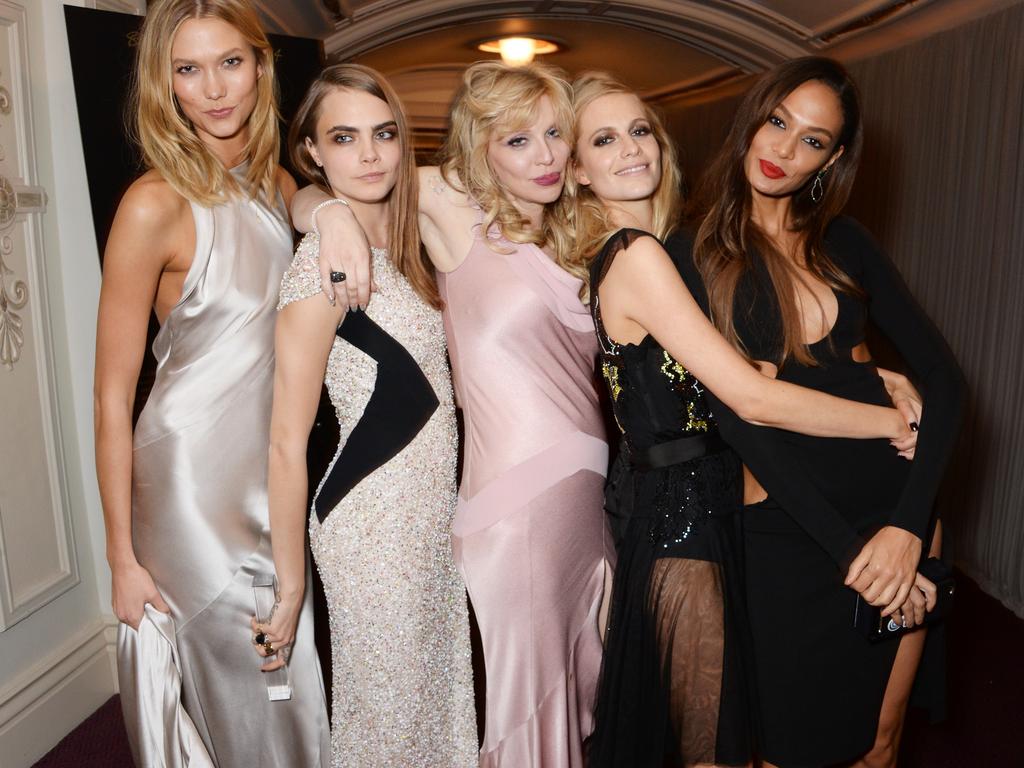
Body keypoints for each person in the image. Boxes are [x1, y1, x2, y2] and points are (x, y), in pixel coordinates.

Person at [569, 71, 922, 768]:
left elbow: (757, 367)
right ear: (576, 172)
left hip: (725, 514)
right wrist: (888, 419)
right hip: (686, 532)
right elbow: (750, 398)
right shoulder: (636, 255)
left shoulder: (676, 251)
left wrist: (866, 371)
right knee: (712, 752)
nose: (630, 150)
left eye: (640, 131)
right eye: (603, 141)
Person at [295, 61, 615, 767]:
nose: (544, 155)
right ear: (480, 147)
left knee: (570, 693)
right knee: (523, 708)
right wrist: (328, 215)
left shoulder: (587, 231)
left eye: (556, 133)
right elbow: (339, 175)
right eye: (516, 139)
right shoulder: (452, 206)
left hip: (587, 503)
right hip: (515, 506)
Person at [666, 56, 965, 767]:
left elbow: (947, 380)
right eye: (777, 123)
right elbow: (737, 417)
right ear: (752, 122)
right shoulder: (690, 251)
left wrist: (907, 527)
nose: (783, 150)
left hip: (898, 516)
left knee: (882, 740)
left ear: (831, 159)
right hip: (791, 531)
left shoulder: (845, 243)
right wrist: (850, 550)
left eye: (812, 140)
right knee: (783, 749)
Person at [93, 1, 329, 764]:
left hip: (273, 464)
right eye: (188, 70)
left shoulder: (270, 180)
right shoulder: (152, 203)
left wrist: (331, 212)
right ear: (167, 88)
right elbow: (109, 394)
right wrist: (122, 561)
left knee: (285, 675)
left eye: (230, 62)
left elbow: (309, 201)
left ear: (261, 66)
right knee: (244, 674)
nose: (215, 88)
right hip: (189, 481)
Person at [251, 63, 477, 767]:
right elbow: (287, 440)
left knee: (436, 708)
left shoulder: (406, 244)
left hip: (434, 513)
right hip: (370, 524)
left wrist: (328, 206)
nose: (370, 154)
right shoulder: (321, 267)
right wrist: (292, 590)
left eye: (384, 134)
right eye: (344, 138)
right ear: (313, 151)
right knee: (388, 719)